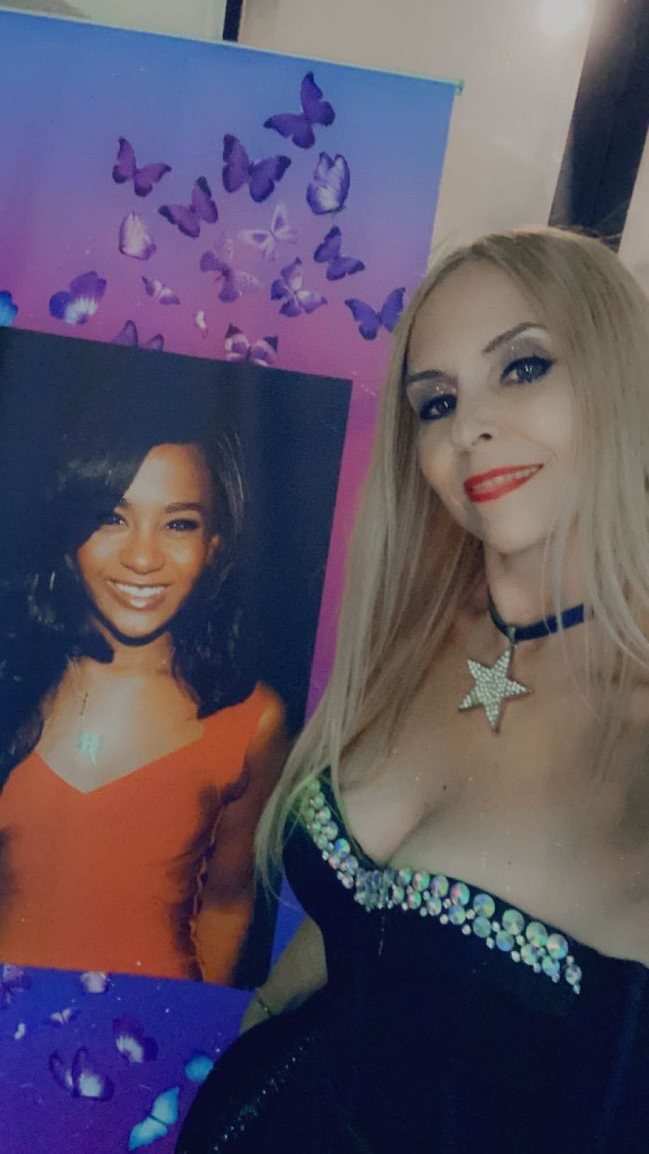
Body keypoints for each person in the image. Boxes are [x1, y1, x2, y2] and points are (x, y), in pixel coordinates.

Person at [178, 227, 649, 1152]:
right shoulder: (412, 635)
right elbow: (347, 940)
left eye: (521, 367)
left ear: (622, 381)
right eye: (436, 401)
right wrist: (253, 1031)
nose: (467, 427)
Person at [0, 421, 287, 982]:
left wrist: (194, 1025)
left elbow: (228, 902)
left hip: (152, 1025)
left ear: (213, 546)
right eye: (112, 517)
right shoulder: (12, 675)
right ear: (69, 532)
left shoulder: (251, 720)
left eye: (178, 524)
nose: (142, 557)